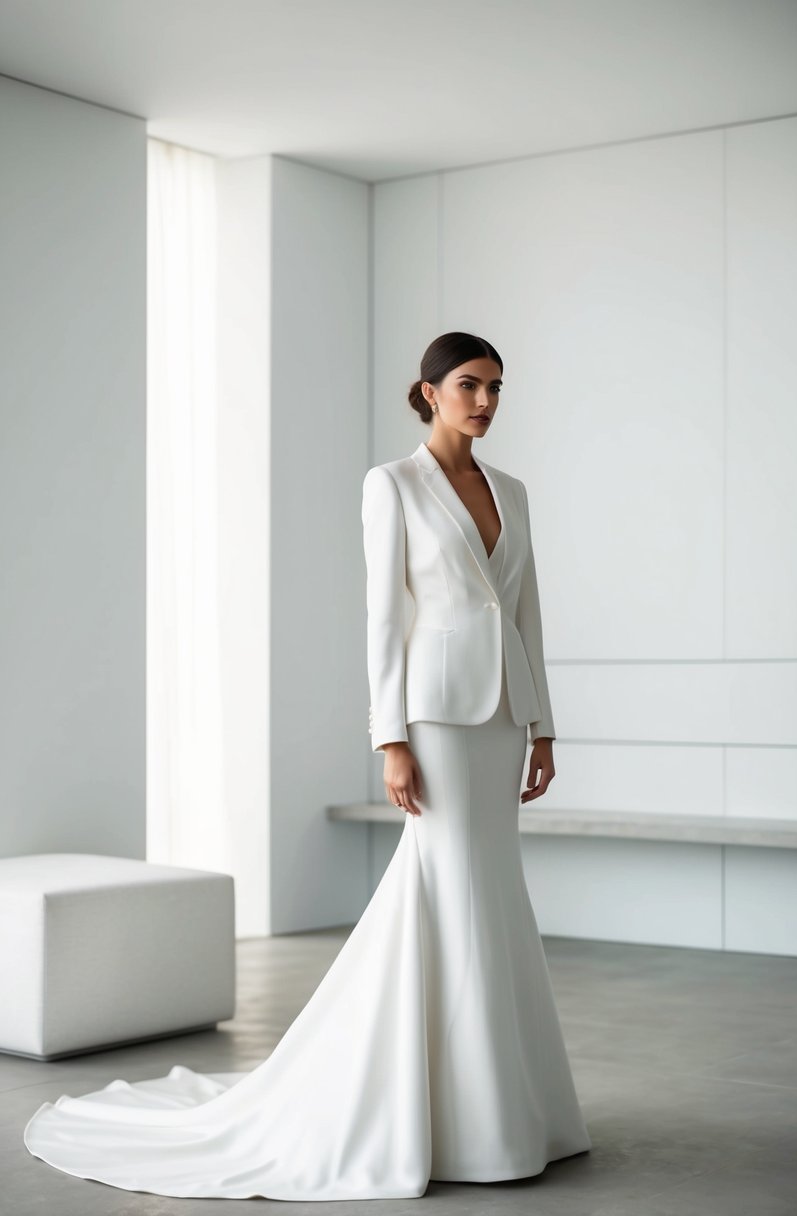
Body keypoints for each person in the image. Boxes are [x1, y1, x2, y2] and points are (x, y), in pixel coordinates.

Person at [22, 331, 591, 1201]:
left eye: (496, 389)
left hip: (502, 717)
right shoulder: (391, 484)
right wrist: (387, 736)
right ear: (428, 393)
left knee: (492, 894)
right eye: (469, 386)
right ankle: (452, 1115)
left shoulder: (510, 491)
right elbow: (380, 617)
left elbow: (528, 616)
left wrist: (543, 724)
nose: (485, 402)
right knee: (449, 885)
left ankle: (512, 1107)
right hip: (434, 714)